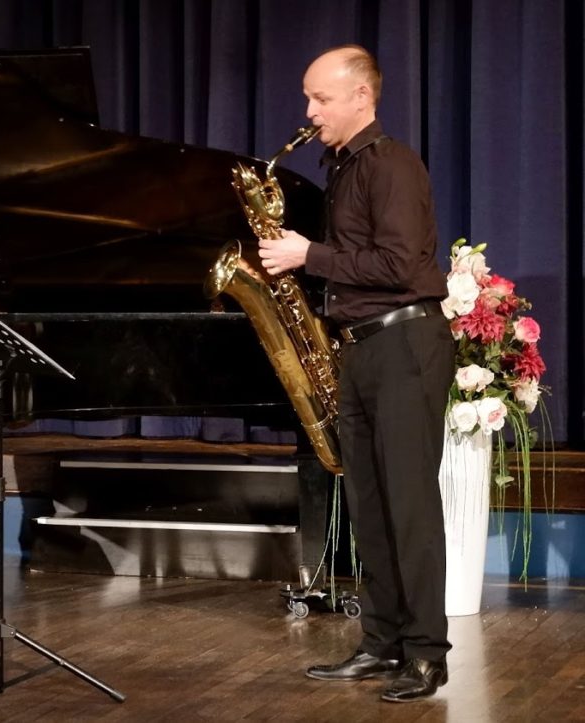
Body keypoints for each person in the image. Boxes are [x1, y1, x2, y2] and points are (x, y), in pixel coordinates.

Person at [257, 46, 454, 702]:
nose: (309, 113)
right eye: (308, 99)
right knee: (370, 509)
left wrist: (308, 254)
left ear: (361, 97)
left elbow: (401, 266)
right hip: (365, 349)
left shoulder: (390, 163)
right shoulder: (341, 167)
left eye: (321, 99)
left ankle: (426, 653)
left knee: (409, 508)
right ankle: (382, 641)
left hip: (405, 348)